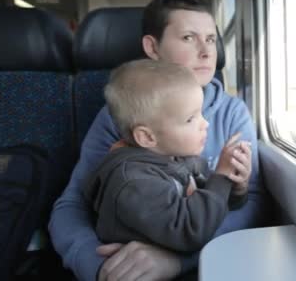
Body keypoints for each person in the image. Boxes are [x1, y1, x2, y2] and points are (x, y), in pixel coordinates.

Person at [49, 0, 266, 281]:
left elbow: (250, 200)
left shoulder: (233, 113)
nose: (206, 51)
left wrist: (180, 259)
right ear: (153, 47)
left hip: (204, 256)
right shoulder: (123, 114)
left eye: (212, 39)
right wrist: (99, 266)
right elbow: (74, 202)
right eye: (189, 38)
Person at [82, 59, 250, 253]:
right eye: (190, 119)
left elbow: (212, 205)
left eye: (200, 114)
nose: (205, 124)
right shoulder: (134, 183)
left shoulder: (178, 157)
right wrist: (220, 177)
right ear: (147, 137)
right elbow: (191, 230)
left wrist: (234, 184)